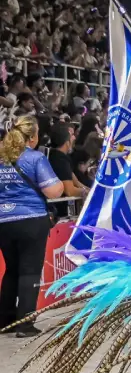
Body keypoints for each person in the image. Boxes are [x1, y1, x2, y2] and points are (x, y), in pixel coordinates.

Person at [0, 116, 63, 336]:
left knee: (11, 270)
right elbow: (54, 191)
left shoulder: (1, 157)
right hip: (31, 219)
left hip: (3, 221)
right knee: (29, 272)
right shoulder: (35, 158)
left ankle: (5, 320)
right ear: (32, 137)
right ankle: (25, 324)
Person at [47, 124, 88, 217]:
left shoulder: (60, 156)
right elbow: (70, 191)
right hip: (59, 211)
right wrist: (88, 193)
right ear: (66, 141)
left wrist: (92, 190)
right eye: (72, 135)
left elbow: (76, 182)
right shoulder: (59, 160)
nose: (74, 137)